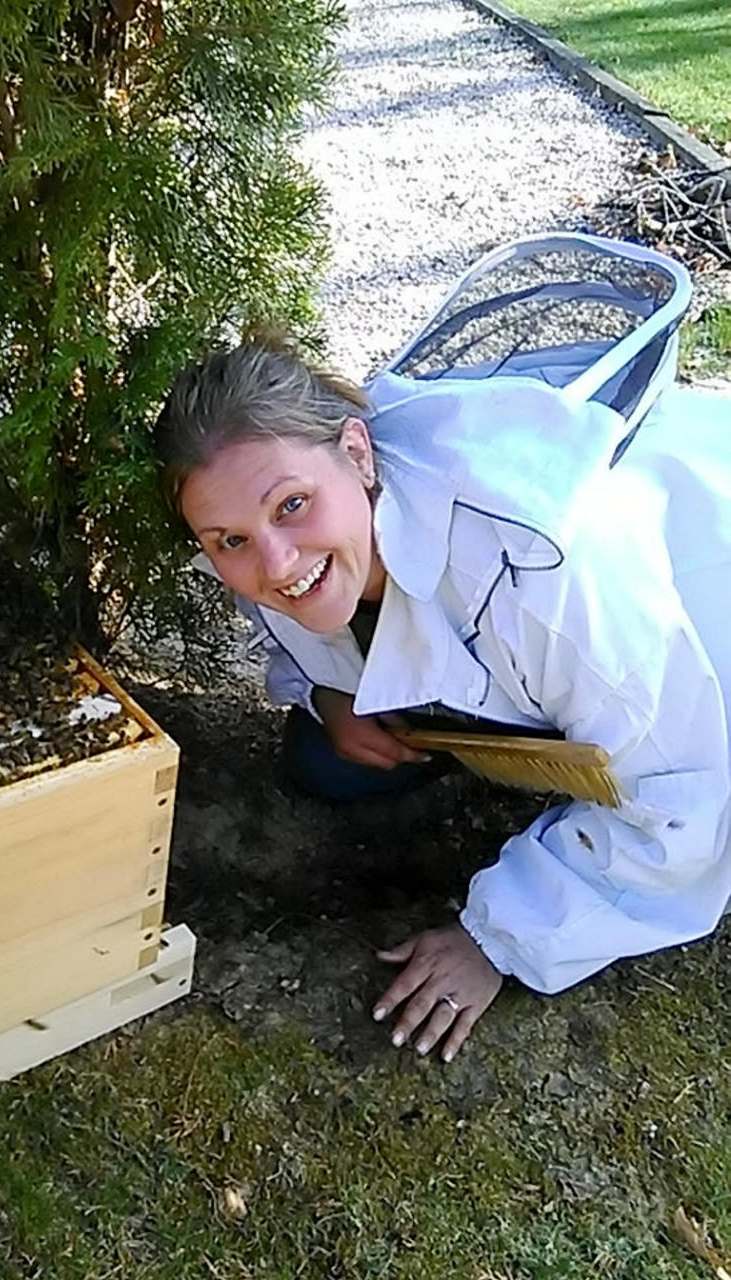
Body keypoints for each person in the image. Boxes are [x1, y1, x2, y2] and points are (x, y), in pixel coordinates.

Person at [152, 338, 731, 1062]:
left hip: (700, 606)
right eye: (230, 540)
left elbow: (684, 804)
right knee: (329, 761)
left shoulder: (549, 574)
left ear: (358, 454)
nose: (275, 562)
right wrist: (331, 695)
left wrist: (498, 940)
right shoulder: (266, 524)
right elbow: (285, 616)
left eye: (292, 506)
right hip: (551, 657)